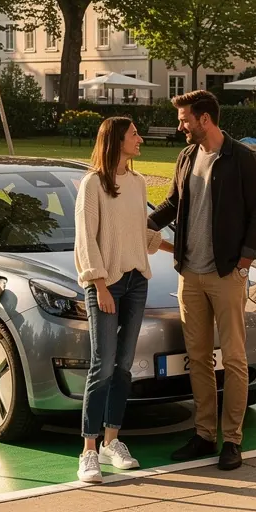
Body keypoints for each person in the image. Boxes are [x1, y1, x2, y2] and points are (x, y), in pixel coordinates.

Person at [148, 90, 256, 471]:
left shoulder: (243, 159)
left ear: (205, 119)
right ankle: (204, 435)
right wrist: (141, 223)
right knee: (198, 359)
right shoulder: (187, 157)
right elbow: (172, 204)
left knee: (233, 359)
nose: (181, 125)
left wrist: (244, 263)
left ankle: (231, 440)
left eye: (185, 119)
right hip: (189, 275)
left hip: (226, 275)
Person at [74, 117, 170, 483]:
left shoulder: (138, 182)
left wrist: (179, 251)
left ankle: (114, 439)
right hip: (105, 284)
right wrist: (98, 285)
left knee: (124, 366)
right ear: (117, 140)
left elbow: (140, 234)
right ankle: (88, 450)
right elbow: (86, 239)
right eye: (134, 134)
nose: (140, 139)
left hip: (135, 284)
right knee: (103, 363)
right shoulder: (92, 185)